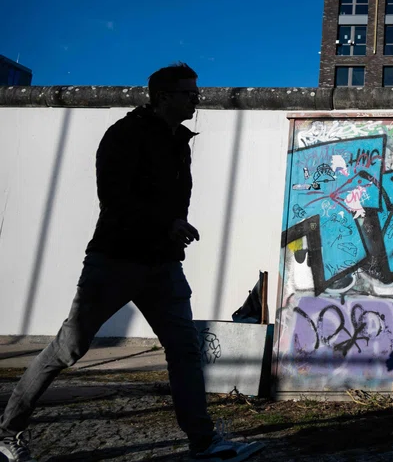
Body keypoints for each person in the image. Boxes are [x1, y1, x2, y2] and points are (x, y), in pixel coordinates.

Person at [0, 64, 264, 462]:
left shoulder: (180, 142)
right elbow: (114, 199)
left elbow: (172, 204)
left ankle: (203, 442)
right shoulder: (125, 135)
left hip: (162, 266)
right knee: (68, 348)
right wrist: (168, 223)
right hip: (115, 260)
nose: (197, 99)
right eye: (189, 93)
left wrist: (173, 234)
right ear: (163, 97)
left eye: (197, 92)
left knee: (185, 350)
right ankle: (7, 431)